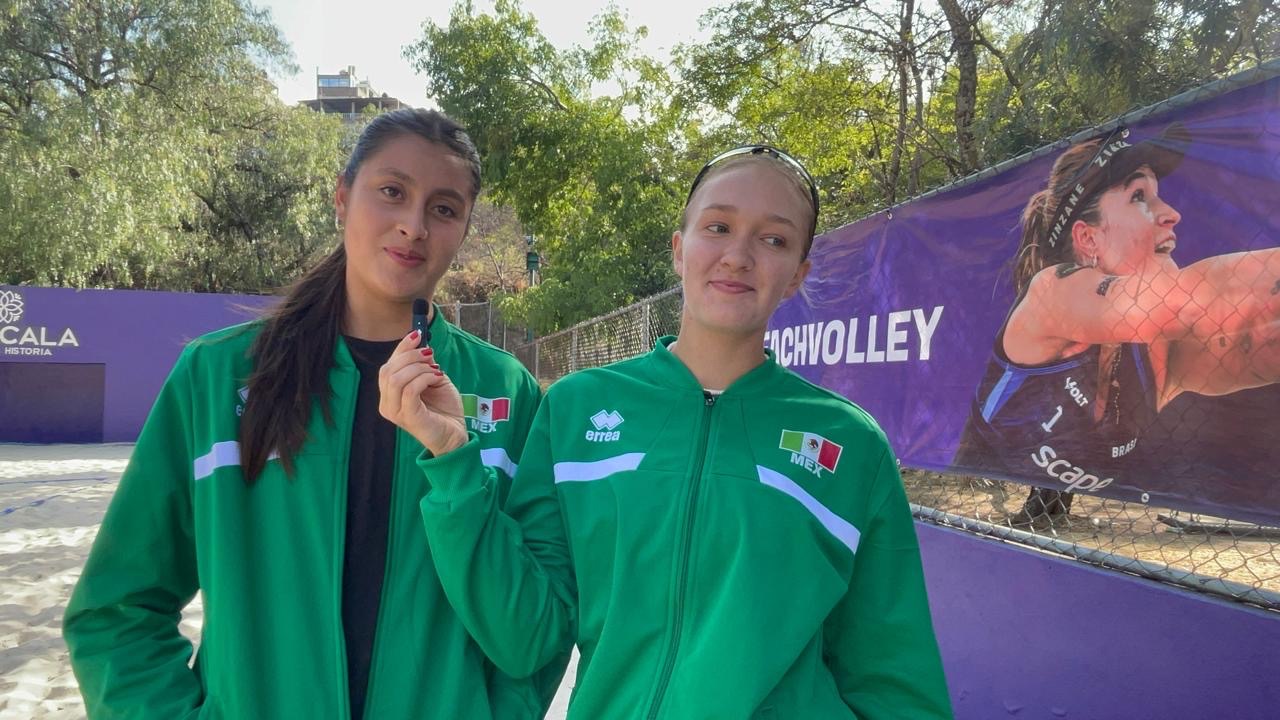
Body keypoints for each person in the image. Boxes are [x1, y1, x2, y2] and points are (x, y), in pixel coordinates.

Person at [381, 145, 953, 718]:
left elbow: (894, 683)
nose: (737, 256)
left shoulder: (851, 444)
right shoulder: (576, 409)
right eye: (718, 227)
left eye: (774, 239)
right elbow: (525, 636)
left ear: (796, 277)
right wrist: (454, 460)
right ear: (680, 250)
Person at [63, 109, 559, 719]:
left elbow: (532, 643)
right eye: (392, 192)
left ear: (462, 230)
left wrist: (456, 466)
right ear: (342, 199)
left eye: (444, 208)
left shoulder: (507, 393)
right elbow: (116, 612)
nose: (414, 226)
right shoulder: (216, 377)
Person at [952, 124, 1280, 527]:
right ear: (1088, 239)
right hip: (973, 510)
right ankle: (1042, 511)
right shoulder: (1051, 293)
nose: (1171, 214)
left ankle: (1051, 511)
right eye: (1139, 196)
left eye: (1157, 195)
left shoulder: (1156, 358)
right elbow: (1186, 303)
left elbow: (1253, 329)